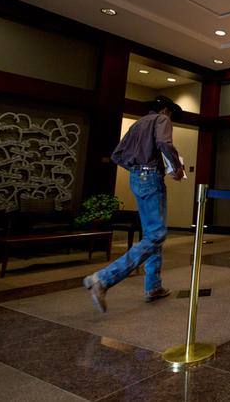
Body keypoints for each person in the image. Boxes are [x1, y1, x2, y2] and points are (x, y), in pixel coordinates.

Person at [83, 95, 185, 313]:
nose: (171, 118)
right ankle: (102, 279)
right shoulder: (162, 120)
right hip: (152, 179)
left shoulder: (138, 124)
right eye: (172, 114)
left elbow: (116, 156)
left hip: (137, 179)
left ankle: (153, 287)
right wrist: (176, 167)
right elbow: (164, 142)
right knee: (157, 234)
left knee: (151, 232)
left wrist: (137, 170)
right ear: (166, 110)